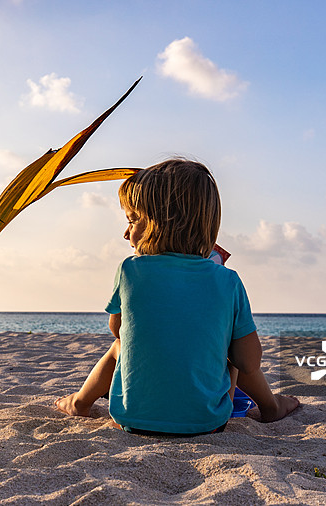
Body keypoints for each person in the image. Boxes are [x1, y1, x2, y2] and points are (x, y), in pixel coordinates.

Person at [55, 159, 299, 436]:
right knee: (232, 355)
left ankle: (80, 402)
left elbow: (117, 330)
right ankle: (271, 408)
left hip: (132, 420)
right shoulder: (227, 280)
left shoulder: (130, 271)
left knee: (119, 347)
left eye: (133, 220)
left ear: (162, 223)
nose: (126, 233)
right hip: (208, 423)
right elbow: (249, 362)